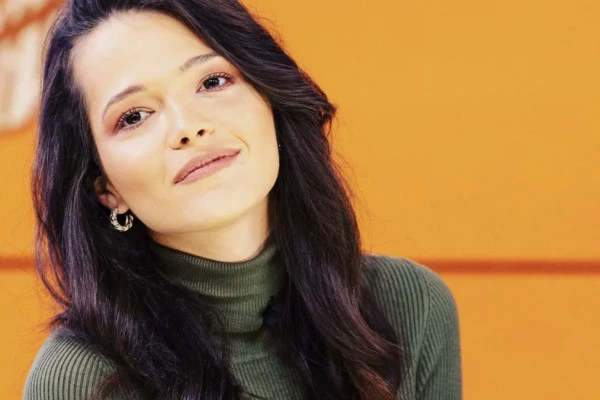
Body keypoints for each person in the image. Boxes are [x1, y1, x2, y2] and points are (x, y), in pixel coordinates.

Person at [23, 0, 462, 399]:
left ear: (268, 96)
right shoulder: (81, 380)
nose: (188, 127)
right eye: (134, 116)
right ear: (105, 188)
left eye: (212, 81)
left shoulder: (408, 308)